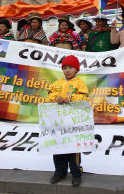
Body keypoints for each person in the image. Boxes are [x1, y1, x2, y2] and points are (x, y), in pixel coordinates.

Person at [45, 55, 89, 186]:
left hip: (73, 122)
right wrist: (56, 97)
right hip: (58, 123)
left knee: (73, 148)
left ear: (76, 70)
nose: (67, 70)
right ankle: (59, 172)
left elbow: (85, 98)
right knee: (58, 147)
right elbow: (49, 96)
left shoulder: (80, 83)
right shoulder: (57, 83)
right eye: (64, 68)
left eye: (70, 68)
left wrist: (72, 98)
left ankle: (76, 173)